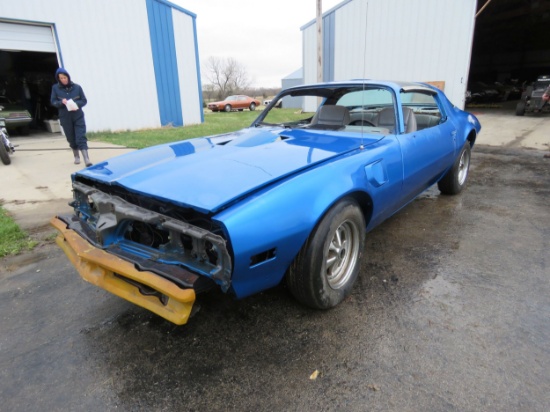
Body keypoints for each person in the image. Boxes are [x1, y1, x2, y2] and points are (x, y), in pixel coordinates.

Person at [50, 68, 92, 166]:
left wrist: (76, 104)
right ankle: (76, 156)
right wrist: (61, 102)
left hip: (78, 116)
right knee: (71, 138)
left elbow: (84, 100)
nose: (64, 79)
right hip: (65, 117)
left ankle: (86, 159)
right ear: (58, 79)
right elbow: (53, 102)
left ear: (68, 77)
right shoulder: (55, 88)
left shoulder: (77, 87)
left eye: (65, 77)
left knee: (80, 137)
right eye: (61, 78)